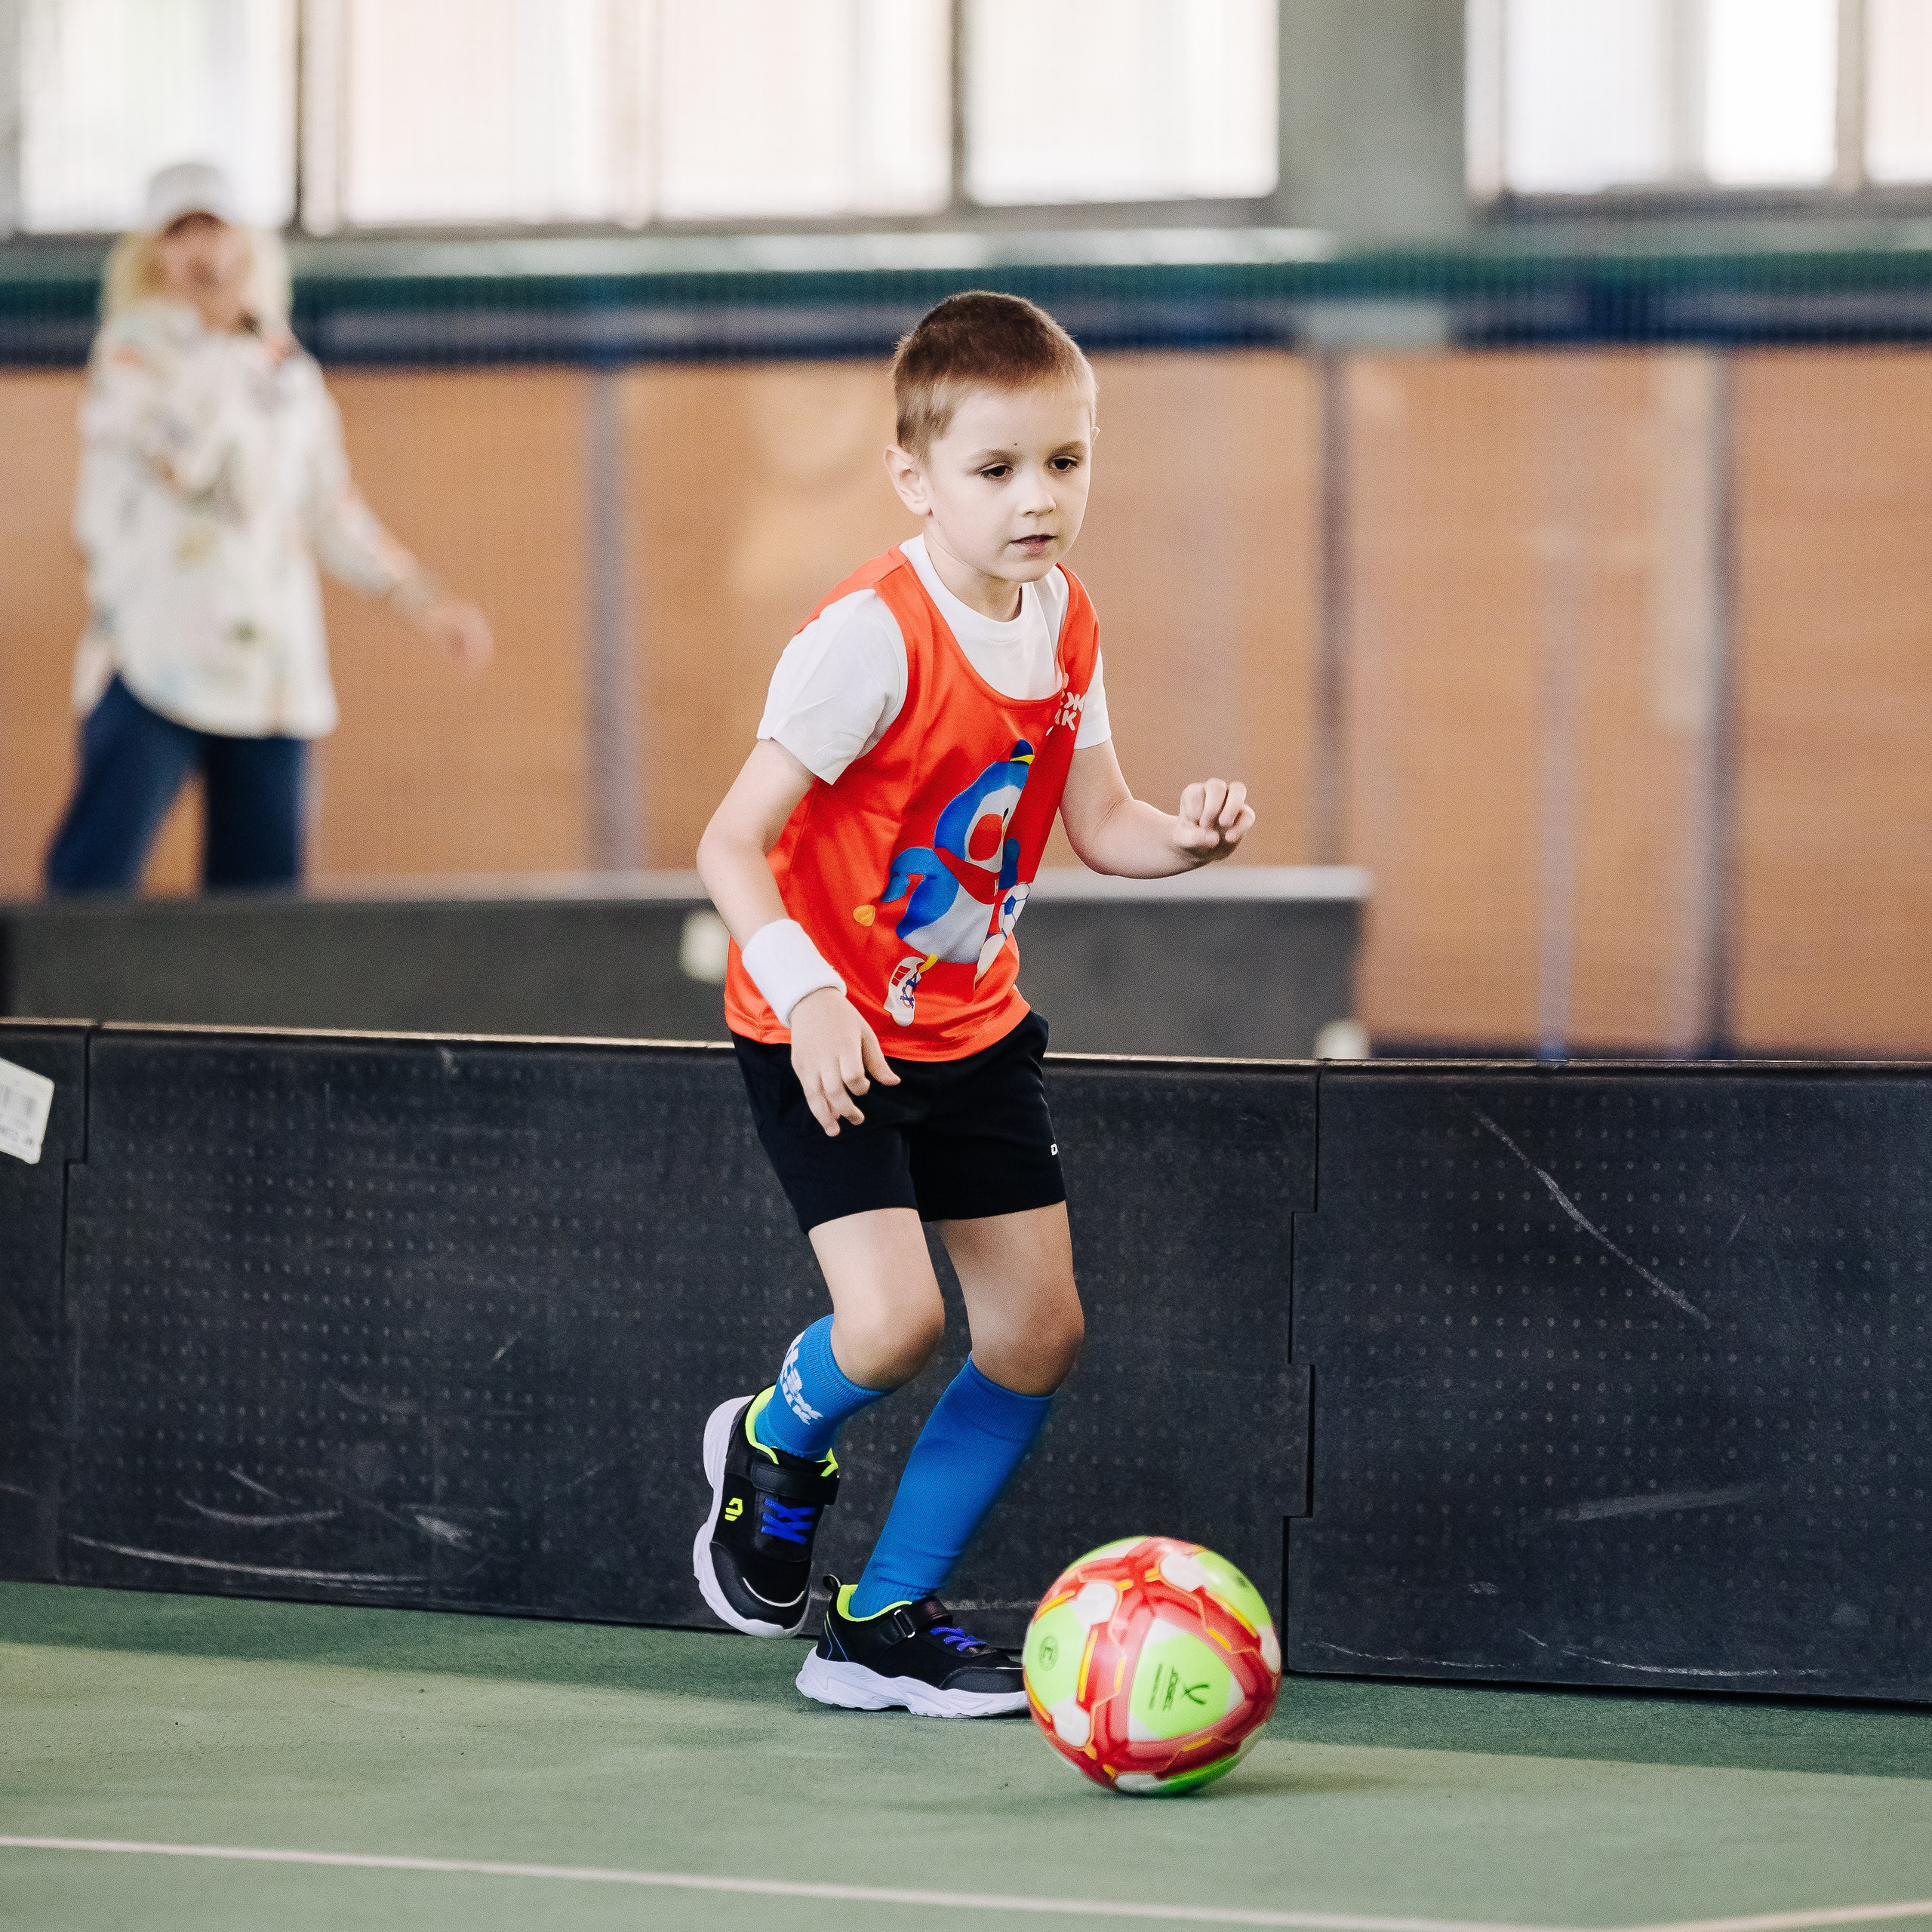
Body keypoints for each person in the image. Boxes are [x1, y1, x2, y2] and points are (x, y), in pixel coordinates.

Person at [693, 291, 1255, 1716]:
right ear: (914, 477)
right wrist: (812, 1000)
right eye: (995, 469)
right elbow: (730, 844)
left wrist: (1184, 840)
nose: (1037, 499)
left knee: (1035, 1336)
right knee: (891, 1329)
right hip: (827, 1036)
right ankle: (775, 1439)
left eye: (1064, 462)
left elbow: (1101, 823)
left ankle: (877, 1622)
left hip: (977, 1031)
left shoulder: (1067, 620)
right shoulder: (866, 640)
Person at [43, 160, 491, 895]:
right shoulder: (130, 354)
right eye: (180, 233)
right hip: (154, 662)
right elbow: (181, 463)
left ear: (245, 244)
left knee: (258, 910)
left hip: (271, 680)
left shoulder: (289, 374)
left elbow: (330, 508)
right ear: (154, 254)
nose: (201, 251)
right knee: (93, 883)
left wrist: (424, 600)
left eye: (214, 229)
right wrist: (222, 345)